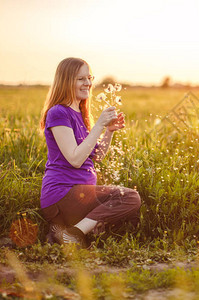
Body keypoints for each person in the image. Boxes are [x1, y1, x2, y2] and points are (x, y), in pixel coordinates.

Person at [39, 57, 141, 247]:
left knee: (131, 212)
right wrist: (99, 125)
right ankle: (73, 234)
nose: (88, 83)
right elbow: (75, 159)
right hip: (62, 195)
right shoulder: (58, 112)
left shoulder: (81, 114)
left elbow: (97, 156)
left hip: (80, 196)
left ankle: (61, 234)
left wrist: (108, 131)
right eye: (81, 79)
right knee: (129, 197)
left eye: (89, 78)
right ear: (66, 81)